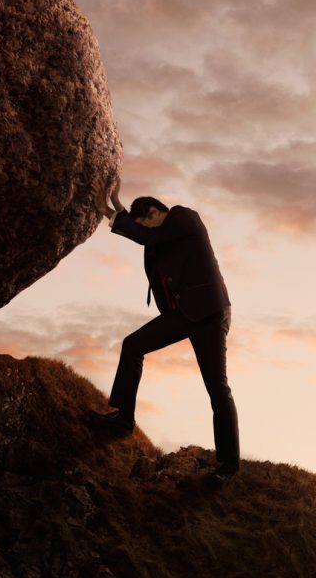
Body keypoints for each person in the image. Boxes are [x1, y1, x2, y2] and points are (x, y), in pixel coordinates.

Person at [92, 181, 240, 482]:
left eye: (145, 221)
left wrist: (108, 211)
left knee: (217, 388)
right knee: (133, 345)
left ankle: (228, 466)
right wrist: (119, 206)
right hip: (183, 314)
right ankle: (123, 418)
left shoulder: (184, 218)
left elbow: (149, 236)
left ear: (156, 212)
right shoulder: (158, 235)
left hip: (209, 313)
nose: (146, 230)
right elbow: (147, 235)